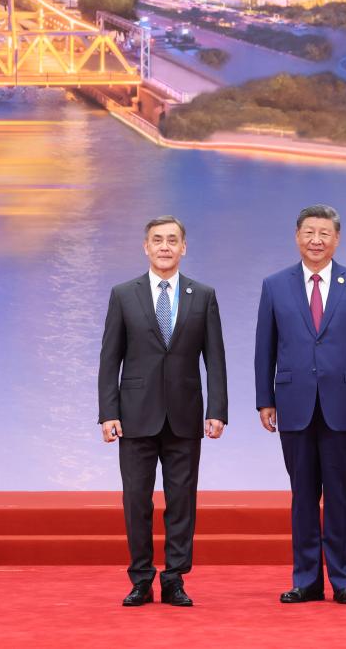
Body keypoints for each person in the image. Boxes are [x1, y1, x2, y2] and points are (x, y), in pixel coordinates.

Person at [254, 204, 346, 605]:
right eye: (309, 232)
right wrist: (264, 400)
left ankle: (344, 579)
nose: (316, 240)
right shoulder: (275, 285)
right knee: (303, 496)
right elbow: (265, 348)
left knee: (342, 496)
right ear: (297, 236)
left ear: (337, 239)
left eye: (324, 233)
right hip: (293, 403)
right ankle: (307, 580)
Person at [98, 215, 228, 608]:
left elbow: (215, 359)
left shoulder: (202, 295)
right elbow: (110, 358)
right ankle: (141, 579)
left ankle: (174, 579)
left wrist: (217, 409)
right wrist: (108, 412)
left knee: (182, 501)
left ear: (184, 247)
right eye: (158, 240)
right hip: (134, 416)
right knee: (136, 501)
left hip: (185, 416)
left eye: (173, 240)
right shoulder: (124, 294)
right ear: (146, 247)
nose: (165, 247)